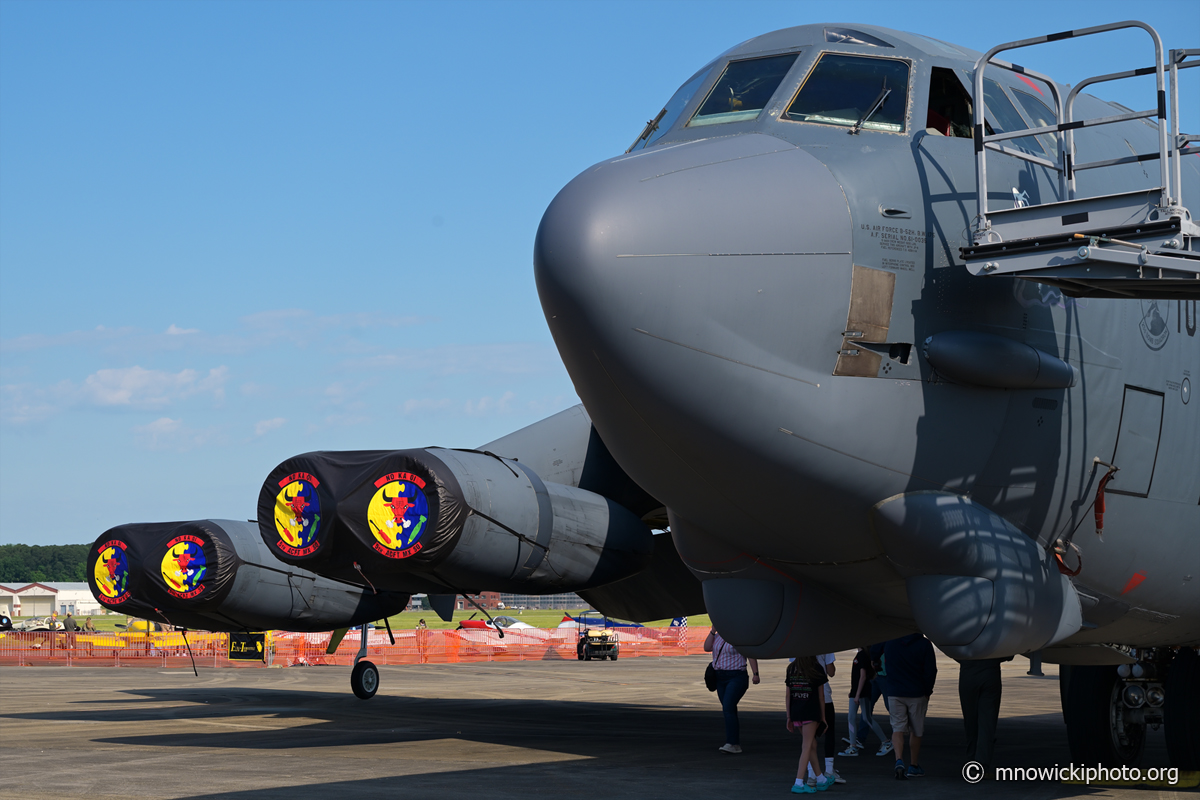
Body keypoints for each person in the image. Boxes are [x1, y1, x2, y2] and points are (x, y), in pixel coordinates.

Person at [883, 633, 937, 779]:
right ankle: (913, 765)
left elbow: (879, 656)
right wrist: (927, 691)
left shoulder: (890, 641)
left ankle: (899, 759)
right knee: (916, 730)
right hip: (917, 692)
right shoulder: (924, 644)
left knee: (897, 727)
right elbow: (930, 670)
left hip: (895, 691)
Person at [704, 628, 760, 754]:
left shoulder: (740, 637)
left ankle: (732, 743)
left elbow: (750, 654)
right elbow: (707, 648)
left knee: (728, 707)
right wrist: (713, 632)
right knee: (729, 709)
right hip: (720, 676)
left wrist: (755, 673)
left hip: (736, 675)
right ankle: (734, 742)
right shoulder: (718, 636)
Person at [786, 656, 833, 793]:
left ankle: (820, 779)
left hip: (796, 711)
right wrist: (823, 717)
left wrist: (789, 716)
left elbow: (788, 694)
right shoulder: (816, 668)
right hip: (810, 712)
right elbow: (821, 696)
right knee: (807, 746)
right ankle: (799, 782)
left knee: (811, 744)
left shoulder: (791, 668)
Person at [959, 656, 1010, 775]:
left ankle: (971, 761)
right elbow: (1008, 653)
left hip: (967, 672)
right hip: (990, 672)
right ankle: (981, 764)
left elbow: (952, 649)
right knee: (987, 723)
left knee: (970, 722)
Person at [840, 646, 890, 757]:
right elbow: (857, 676)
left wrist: (857, 694)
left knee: (867, 718)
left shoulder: (863, 656)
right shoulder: (860, 655)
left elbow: (862, 677)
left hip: (862, 692)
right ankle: (853, 746)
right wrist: (852, 691)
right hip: (856, 691)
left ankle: (886, 741)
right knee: (851, 718)